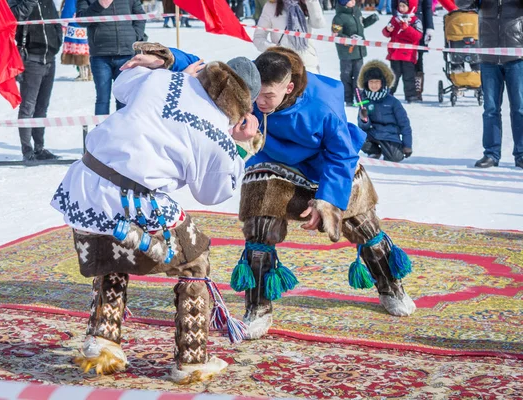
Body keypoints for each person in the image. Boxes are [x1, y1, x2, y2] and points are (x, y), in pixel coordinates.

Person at [127, 44, 417, 342]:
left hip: (325, 166)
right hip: (273, 162)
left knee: (363, 226)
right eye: (257, 95)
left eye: (269, 96)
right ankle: (258, 306)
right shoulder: (248, 81)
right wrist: (167, 59)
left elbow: (340, 155)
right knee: (259, 227)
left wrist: (329, 201)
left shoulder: (322, 105)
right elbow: (207, 69)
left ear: (288, 87)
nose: (261, 102)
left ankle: (390, 286)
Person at [51, 44, 263, 382]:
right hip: (132, 199)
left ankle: (102, 341)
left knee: (115, 250)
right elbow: (212, 194)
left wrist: (172, 71)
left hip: (84, 187)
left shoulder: (165, 81)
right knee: (195, 255)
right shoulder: (218, 136)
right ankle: (191, 361)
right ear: (243, 105)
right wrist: (239, 145)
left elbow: (121, 86)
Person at [455, 0, 523, 169]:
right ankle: (491, 154)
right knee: (490, 109)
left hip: (516, 56)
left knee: (519, 108)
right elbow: (461, 4)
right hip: (488, 57)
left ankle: (521, 154)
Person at [9, 0, 63, 162]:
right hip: (30, 59)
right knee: (28, 107)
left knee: (42, 107)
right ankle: (27, 151)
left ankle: (39, 148)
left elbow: (55, 20)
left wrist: (57, 41)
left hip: (49, 58)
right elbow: (14, 16)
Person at [76, 0, 147, 115]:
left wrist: (135, 36)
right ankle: (101, 131)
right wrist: (99, 5)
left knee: (123, 99)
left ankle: (122, 131)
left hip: (126, 54)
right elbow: (81, 20)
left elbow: (140, 16)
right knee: (102, 99)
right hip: (100, 55)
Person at [357, 60, 413, 162]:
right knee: (356, 137)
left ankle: (391, 150)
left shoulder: (393, 102)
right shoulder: (364, 101)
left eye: (377, 82)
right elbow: (362, 127)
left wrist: (407, 145)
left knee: (394, 158)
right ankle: (374, 151)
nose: (374, 85)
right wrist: (364, 119)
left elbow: (404, 124)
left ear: (382, 83)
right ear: (366, 83)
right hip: (372, 134)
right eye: (371, 82)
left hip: (389, 135)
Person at [254, 0, 326, 73]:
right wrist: (276, 50)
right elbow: (258, 37)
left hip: (308, 64)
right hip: (283, 66)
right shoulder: (271, 6)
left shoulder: (306, 3)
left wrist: (311, 2)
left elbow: (318, 24)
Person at [332, 0, 378, 106]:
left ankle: (360, 98)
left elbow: (361, 25)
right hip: (346, 53)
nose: (353, 2)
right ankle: (347, 98)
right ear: (343, 3)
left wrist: (372, 19)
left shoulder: (357, 13)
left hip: (359, 51)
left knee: (359, 76)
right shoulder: (339, 17)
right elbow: (336, 34)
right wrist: (348, 40)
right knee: (346, 76)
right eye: (350, 0)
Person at [382, 0, 423, 103]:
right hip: (395, 54)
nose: (401, 8)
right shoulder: (395, 19)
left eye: (404, 6)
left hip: (408, 55)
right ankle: (388, 94)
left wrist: (407, 28)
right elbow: (386, 33)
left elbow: (417, 37)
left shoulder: (415, 21)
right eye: (400, 6)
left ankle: (411, 95)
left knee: (409, 76)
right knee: (393, 76)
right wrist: (387, 30)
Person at [392, 0, 433, 101]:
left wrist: (429, 28)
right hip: (400, 25)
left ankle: (416, 91)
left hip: (417, 24)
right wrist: (397, 17)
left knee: (418, 58)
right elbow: (394, 5)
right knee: (397, 64)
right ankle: (391, 89)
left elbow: (427, 8)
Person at [61, 0, 92, 81]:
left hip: (76, 26)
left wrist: (63, 23)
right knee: (89, 50)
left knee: (79, 51)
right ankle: (90, 73)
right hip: (89, 25)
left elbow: (69, 9)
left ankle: (83, 74)